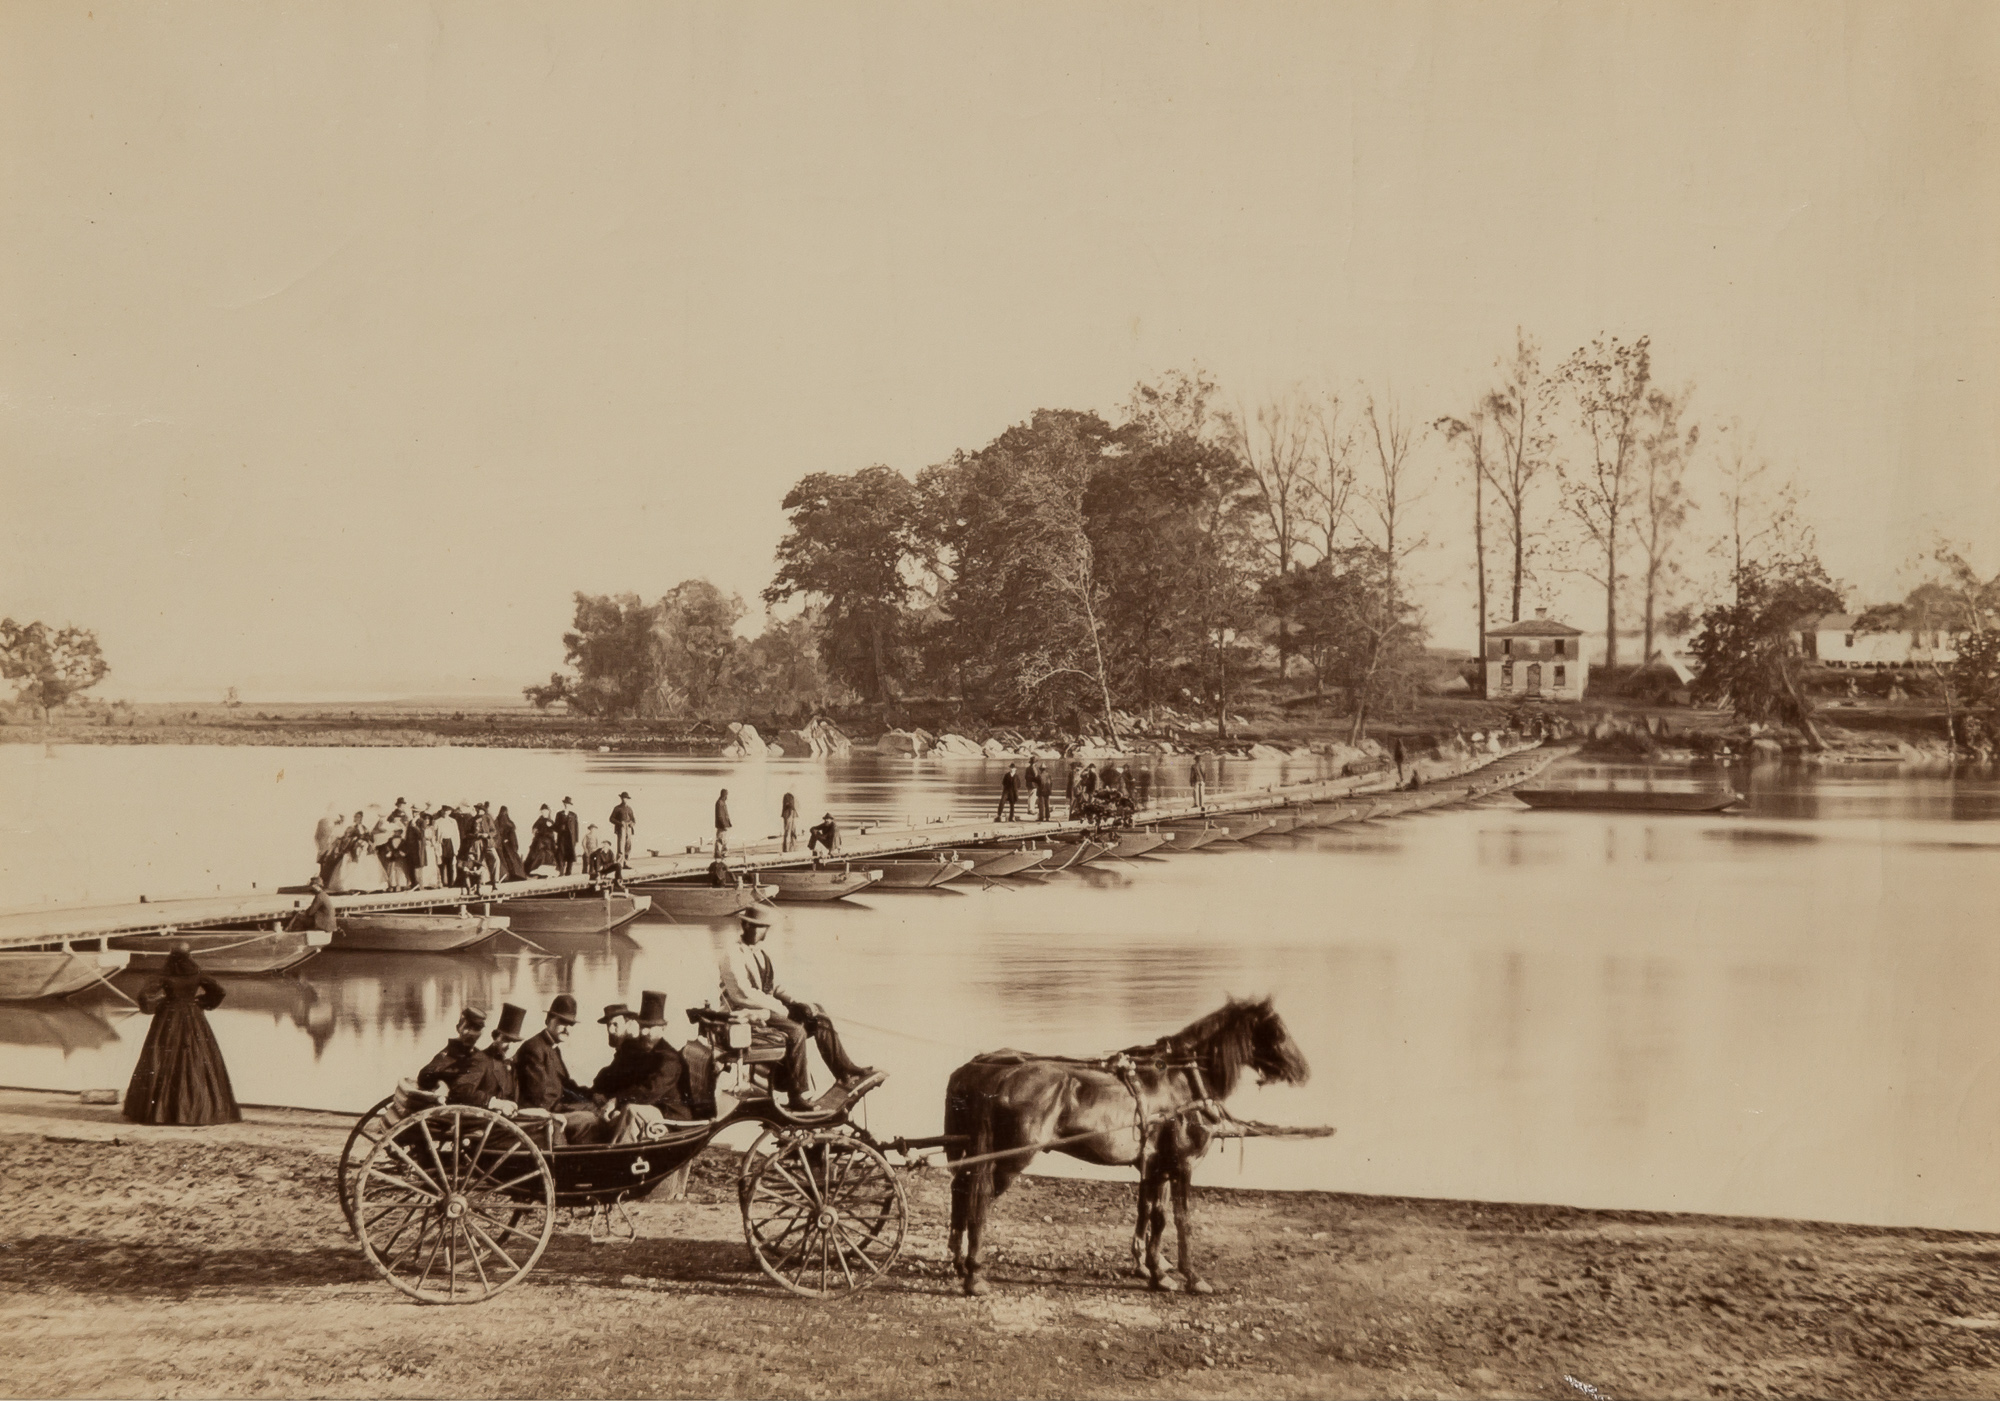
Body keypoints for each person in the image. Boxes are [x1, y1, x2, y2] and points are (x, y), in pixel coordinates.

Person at [717, 905, 871, 1111]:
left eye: (763, 928)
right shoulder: (732, 954)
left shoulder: (761, 954)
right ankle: (797, 1095)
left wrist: (799, 1002)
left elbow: (775, 986)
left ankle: (844, 1070)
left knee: (818, 1015)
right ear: (744, 925)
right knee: (796, 1032)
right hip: (743, 1014)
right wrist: (782, 1008)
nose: (760, 932)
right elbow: (743, 993)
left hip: (766, 1009)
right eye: (755, 927)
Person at [123, 946, 241, 1125]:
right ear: (189, 957)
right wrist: (201, 1002)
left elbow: (144, 996)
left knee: (161, 1058)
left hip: (169, 1018)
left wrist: (161, 1004)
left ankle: (161, 1113)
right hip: (193, 1016)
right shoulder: (197, 974)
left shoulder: (164, 975)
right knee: (197, 1058)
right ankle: (198, 1111)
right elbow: (219, 992)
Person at [513, 995, 603, 1143]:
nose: (567, 1029)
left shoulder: (551, 1048)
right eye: (562, 1022)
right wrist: (577, 1108)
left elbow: (566, 1085)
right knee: (590, 1119)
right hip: (537, 1115)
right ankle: (580, 1159)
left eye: (570, 1024)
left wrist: (591, 1096)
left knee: (595, 1109)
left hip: (552, 1108)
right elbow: (541, 1098)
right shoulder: (534, 1048)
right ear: (548, 1020)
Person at [447, 1003, 523, 1111]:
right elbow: (460, 1090)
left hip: (505, 1119)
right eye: (506, 1040)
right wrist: (494, 1102)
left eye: (514, 1042)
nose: (510, 1047)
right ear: (496, 1038)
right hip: (480, 1122)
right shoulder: (481, 1060)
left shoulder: (512, 1065)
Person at [416, 1007, 488, 1093]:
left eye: (476, 1029)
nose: (470, 1033)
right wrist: (439, 1083)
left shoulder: (482, 1057)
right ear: (458, 1028)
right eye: (466, 1027)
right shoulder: (447, 1055)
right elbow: (424, 1076)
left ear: (481, 1032)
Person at [495, 805, 529, 882]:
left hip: (502, 845)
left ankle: (509, 875)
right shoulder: (508, 822)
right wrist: (514, 845)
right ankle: (515, 875)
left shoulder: (497, 821)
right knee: (512, 860)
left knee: (507, 860)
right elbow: (512, 836)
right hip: (507, 845)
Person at [525, 804, 560, 874]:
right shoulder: (539, 820)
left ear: (548, 811)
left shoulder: (550, 821)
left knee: (550, 854)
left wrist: (551, 827)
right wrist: (537, 832)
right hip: (540, 842)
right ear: (541, 812)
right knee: (539, 853)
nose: (544, 812)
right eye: (543, 811)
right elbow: (533, 829)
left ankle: (549, 870)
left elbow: (556, 830)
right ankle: (536, 869)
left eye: (546, 811)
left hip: (550, 842)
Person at [610, 792, 637, 864]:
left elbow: (634, 820)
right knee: (621, 846)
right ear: (621, 798)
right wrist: (619, 823)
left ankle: (626, 863)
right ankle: (619, 864)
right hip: (621, 828)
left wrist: (632, 824)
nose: (625, 800)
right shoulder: (617, 808)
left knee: (628, 845)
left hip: (629, 828)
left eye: (626, 798)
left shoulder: (629, 808)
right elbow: (611, 819)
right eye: (623, 798)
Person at [556, 798, 581, 876]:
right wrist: (560, 828)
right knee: (561, 854)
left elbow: (576, 827)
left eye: (569, 804)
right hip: (562, 837)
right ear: (564, 804)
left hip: (570, 838)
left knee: (570, 855)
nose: (567, 805)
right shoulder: (559, 814)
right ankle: (561, 871)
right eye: (566, 804)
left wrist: (576, 839)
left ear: (570, 805)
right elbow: (556, 826)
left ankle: (568, 872)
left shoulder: (573, 815)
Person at [713, 788, 731, 858]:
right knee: (720, 840)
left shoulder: (722, 802)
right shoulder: (719, 803)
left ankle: (723, 853)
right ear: (724, 795)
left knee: (724, 840)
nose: (727, 797)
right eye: (726, 795)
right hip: (721, 825)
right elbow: (720, 815)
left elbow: (725, 814)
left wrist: (729, 823)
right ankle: (718, 854)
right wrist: (723, 825)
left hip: (724, 825)